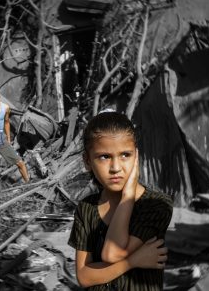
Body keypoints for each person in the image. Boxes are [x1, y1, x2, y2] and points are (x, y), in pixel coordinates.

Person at [68, 111, 173, 290]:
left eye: (125, 155)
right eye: (105, 157)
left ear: (136, 156)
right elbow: (84, 277)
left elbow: (112, 253)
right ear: (87, 161)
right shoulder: (86, 208)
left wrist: (128, 196)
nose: (116, 168)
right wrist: (133, 261)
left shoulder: (156, 204)